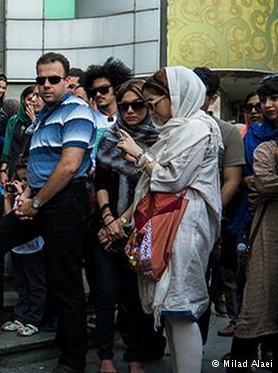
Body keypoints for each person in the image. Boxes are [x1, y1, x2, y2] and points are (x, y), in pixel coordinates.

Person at [0, 52, 96, 373]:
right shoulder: (44, 116)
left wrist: (37, 202)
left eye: (53, 79)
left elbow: (70, 165)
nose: (46, 85)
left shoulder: (78, 111)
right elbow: (38, 165)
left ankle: (72, 360)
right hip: (39, 198)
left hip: (65, 201)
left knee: (65, 279)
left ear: (67, 81)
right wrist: (26, 195)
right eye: (40, 79)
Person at [116, 66, 222, 373]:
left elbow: (172, 177)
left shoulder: (196, 129)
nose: (151, 110)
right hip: (170, 222)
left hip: (184, 224)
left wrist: (140, 156)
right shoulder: (181, 128)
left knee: (181, 306)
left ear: (176, 96)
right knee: (173, 309)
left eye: (153, 102)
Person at [94, 79, 157, 373]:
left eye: (138, 105)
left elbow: (151, 187)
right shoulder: (109, 137)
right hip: (107, 228)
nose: (130, 111)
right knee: (105, 296)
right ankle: (105, 357)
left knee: (134, 299)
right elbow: (101, 181)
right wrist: (108, 218)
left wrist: (122, 222)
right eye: (125, 105)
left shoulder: (158, 140)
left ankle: (135, 358)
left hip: (140, 228)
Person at [228, 74, 278, 371]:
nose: (268, 106)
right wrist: (260, 186)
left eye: (274, 99)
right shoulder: (258, 138)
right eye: (264, 101)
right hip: (260, 224)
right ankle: (238, 363)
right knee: (257, 297)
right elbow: (258, 181)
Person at [193, 67, 246, 341]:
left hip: (208, 223)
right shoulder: (171, 127)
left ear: (212, 98)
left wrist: (208, 216)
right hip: (170, 221)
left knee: (201, 286)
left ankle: (195, 348)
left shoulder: (226, 132)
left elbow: (232, 180)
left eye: (200, 92)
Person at [0, 162, 46, 338]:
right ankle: (20, 317)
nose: (22, 182)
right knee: (20, 284)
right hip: (17, 247)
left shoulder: (39, 196)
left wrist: (23, 194)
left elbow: (29, 218)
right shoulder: (14, 195)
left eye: (26, 179)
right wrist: (7, 197)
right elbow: (8, 218)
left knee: (36, 284)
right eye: (19, 179)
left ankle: (33, 320)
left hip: (34, 247)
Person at [0, 86, 41, 184]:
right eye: (29, 99)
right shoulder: (14, 121)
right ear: (23, 100)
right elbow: (8, 145)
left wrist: (34, 121)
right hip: (15, 165)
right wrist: (3, 170)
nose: (32, 102)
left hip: (32, 166)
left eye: (35, 99)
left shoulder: (42, 120)